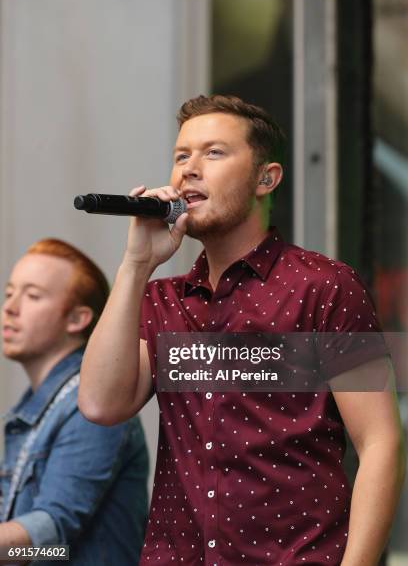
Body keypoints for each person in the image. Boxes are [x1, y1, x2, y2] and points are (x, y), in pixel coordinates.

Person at [78, 95, 406, 565]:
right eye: (180, 156)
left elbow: (380, 443)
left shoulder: (324, 287)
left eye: (213, 153)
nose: (189, 169)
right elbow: (99, 403)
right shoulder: (162, 300)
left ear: (266, 178)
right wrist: (136, 264)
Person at [0, 239, 148, 565]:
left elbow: (53, 539)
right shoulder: (34, 412)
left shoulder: (90, 406)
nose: (10, 306)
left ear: (78, 319)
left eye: (33, 295)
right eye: (9, 292)